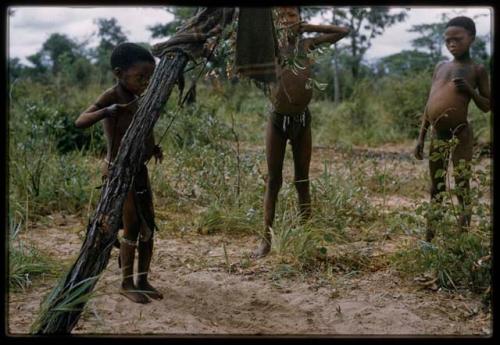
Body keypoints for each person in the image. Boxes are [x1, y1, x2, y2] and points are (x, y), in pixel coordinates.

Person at [253, 6, 350, 258]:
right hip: (277, 121)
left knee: (302, 181)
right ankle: (265, 240)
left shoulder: (307, 45)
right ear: (275, 21)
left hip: (302, 121)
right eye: (282, 16)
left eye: (292, 16)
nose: (287, 20)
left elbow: (343, 30)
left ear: (300, 18)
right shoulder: (271, 47)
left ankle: (307, 237)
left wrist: (310, 27)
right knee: (273, 181)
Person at [75, 42, 164, 303]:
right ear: (118, 73)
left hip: (139, 170)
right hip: (118, 172)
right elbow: (79, 121)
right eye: (140, 77)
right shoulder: (112, 96)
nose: (146, 82)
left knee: (149, 224)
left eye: (150, 77)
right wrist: (107, 111)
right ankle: (126, 283)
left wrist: (153, 147)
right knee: (132, 225)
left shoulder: (141, 97)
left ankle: (143, 279)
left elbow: (143, 129)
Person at [414, 16, 490, 241]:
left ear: (472, 38)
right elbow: (430, 104)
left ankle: (461, 240)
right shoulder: (441, 67)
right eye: (447, 40)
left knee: (462, 187)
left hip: (461, 135)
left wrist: (471, 91)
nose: (452, 44)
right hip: (438, 135)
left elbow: (487, 106)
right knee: (436, 187)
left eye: (457, 39)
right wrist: (421, 137)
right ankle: (429, 238)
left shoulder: (477, 69)